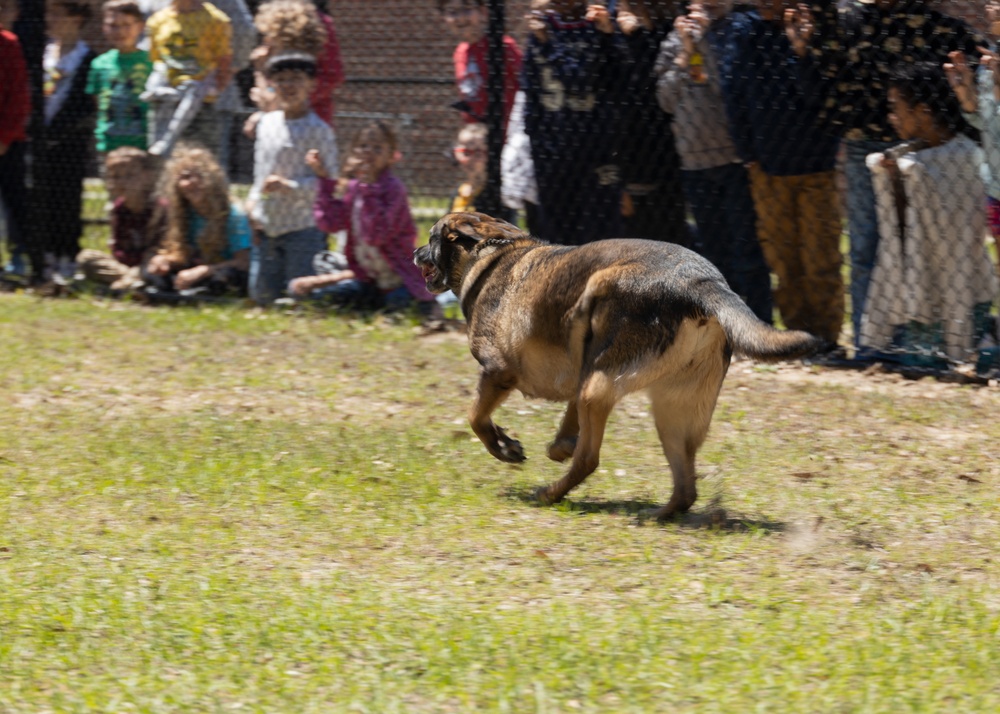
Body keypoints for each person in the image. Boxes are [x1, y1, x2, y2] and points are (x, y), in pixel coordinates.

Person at [784, 0, 983, 349]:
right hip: (864, 145)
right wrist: (806, 50)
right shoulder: (848, 21)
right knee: (865, 249)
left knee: (917, 248)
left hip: (924, 150)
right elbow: (821, 83)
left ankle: (920, 341)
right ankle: (871, 343)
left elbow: (967, 75)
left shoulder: (932, 23)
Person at [860, 62, 998, 367]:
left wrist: (909, 173)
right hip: (924, 295)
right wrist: (895, 177)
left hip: (964, 287)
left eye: (897, 109)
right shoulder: (909, 158)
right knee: (920, 364)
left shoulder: (965, 156)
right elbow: (905, 230)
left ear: (923, 112)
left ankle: (984, 336)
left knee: (939, 361)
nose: (891, 118)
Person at [724, 0, 843, 348]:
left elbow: (821, 97)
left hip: (816, 165)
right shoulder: (746, 31)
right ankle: (798, 336)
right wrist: (748, 153)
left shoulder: (817, 25)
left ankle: (828, 338)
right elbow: (734, 92)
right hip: (768, 167)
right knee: (784, 260)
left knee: (820, 258)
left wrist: (802, 50)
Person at [655, 0, 773, 323]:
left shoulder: (735, 32)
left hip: (733, 159)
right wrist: (686, 51)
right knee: (714, 251)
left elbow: (728, 88)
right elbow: (665, 99)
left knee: (746, 249)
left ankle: (760, 321)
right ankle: (726, 323)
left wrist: (704, 44)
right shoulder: (673, 40)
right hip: (693, 163)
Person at [290, 121, 439, 317]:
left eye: (377, 148)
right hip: (369, 281)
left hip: (400, 280)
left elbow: (376, 235)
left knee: (397, 304)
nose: (368, 152)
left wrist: (368, 188)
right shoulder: (354, 188)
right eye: (362, 146)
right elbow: (330, 222)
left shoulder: (393, 190)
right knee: (328, 299)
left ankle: (426, 306)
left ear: (391, 155)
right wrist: (325, 181)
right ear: (353, 152)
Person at [521, 0, 624, 246]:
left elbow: (578, 81)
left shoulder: (597, 28)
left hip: (594, 151)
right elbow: (530, 89)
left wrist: (548, 45)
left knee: (599, 236)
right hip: (551, 153)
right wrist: (537, 141)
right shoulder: (542, 30)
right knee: (557, 236)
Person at [245, 52, 337, 304]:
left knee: (301, 299)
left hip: (303, 226)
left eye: (296, 79)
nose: (289, 86)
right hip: (268, 226)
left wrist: (291, 186)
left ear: (311, 84)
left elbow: (332, 183)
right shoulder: (267, 123)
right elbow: (260, 172)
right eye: (282, 80)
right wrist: (253, 206)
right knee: (262, 298)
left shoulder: (319, 130)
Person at [31, 0, 96, 282]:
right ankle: (42, 256)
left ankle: (66, 257)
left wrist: (60, 132)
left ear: (77, 18)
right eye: (49, 14)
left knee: (66, 200)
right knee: (38, 199)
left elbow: (87, 106)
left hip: (69, 144)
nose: (51, 19)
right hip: (37, 141)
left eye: (58, 14)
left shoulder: (88, 58)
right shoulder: (42, 53)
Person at [614, 0, 688, 246]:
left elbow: (651, 88)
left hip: (665, 156)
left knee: (670, 237)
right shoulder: (616, 41)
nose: (620, 13)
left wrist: (640, 33)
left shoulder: (663, 34)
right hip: (631, 159)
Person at [143, 144, 252, 296]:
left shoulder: (233, 214)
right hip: (197, 266)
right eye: (185, 177)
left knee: (225, 277)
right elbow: (183, 254)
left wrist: (205, 270)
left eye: (199, 175)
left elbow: (244, 262)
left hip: (223, 270)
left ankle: (198, 292)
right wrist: (165, 260)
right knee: (152, 269)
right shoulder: (185, 213)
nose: (192, 182)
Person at [143, 0, 232, 156]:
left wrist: (213, 89)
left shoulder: (216, 20)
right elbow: (157, 60)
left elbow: (223, 60)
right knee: (160, 162)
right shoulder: (157, 20)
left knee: (198, 158)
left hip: (201, 103)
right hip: (165, 98)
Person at [243, 0, 337, 138]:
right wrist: (260, 71)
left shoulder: (321, 25)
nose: (267, 41)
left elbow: (333, 75)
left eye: (270, 36)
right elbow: (268, 93)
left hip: (312, 118)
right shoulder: (270, 53)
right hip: (276, 121)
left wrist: (292, 100)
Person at [77, 147, 163, 290]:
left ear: (147, 176)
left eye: (130, 175)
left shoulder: (159, 207)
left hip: (151, 264)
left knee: (153, 261)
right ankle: (132, 281)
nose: (122, 182)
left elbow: (160, 249)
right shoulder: (119, 208)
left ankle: (130, 281)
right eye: (116, 177)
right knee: (86, 257)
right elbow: (118, 249)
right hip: (126, 265)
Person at [438, 0, 522, 129]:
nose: (460, 17)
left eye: (466, 9)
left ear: (483, 12)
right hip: (477, 140)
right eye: (452, 12)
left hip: (508, 136)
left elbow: (528, 87)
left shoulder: (502, 46)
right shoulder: (460, 52)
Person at [86, 0, 152, 159]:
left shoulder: (151, 62)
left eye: (126, 25)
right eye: (113, 25)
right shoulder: (99, 64)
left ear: (140, 27)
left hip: (143, 144)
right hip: (109, 144)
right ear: (104, 27)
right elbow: (97, 101)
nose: (120, 31)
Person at [0, 1, 31, 278]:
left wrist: (5, 137)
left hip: (6, 142)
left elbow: (18, 97)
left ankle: (20, 256)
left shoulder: (8, 44)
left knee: (14, 199)